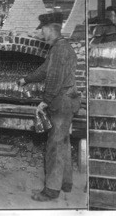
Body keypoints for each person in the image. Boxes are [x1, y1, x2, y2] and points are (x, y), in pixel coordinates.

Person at [17, 12, 81, 202]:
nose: (42, 34)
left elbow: (54, 79)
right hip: (67, 99)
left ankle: (51, 190)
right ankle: (66, 183)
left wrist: (45, 101)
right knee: (63, 142)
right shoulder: (59, 48)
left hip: (62, 102)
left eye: (43, 30)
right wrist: (26, 79)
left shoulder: (60, 50)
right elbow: (45, 70)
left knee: (54, 144)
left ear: (49, 29)